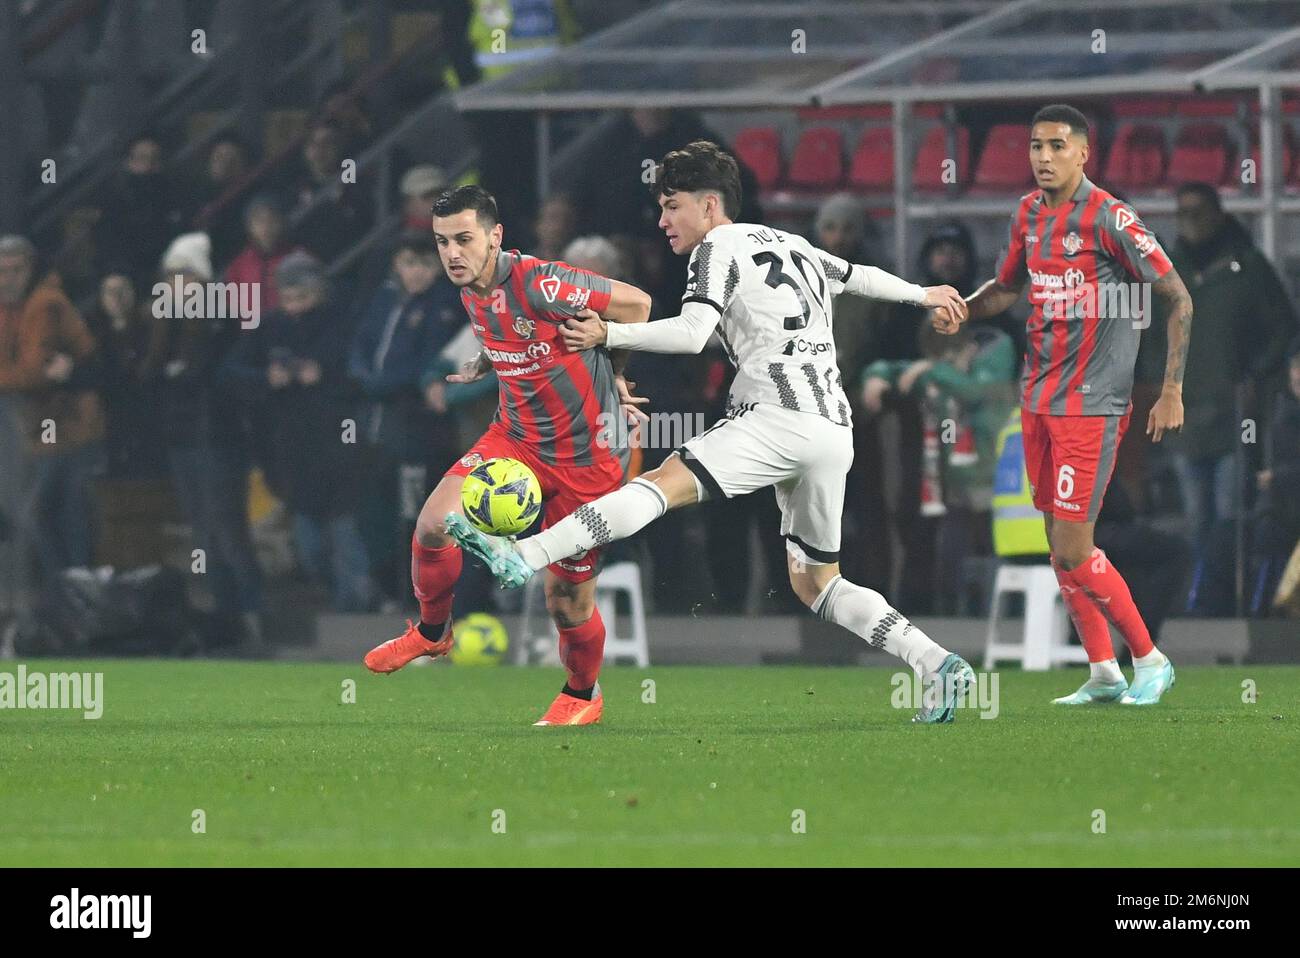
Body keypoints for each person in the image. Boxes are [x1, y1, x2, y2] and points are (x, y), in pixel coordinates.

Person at [448, 141, 978, 724]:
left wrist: (609, 336)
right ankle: (935, 662)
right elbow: (857, 276)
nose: (662, 219)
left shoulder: (717, 247)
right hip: (832, 428)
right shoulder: (790, 243)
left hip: (776, 418)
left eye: (671, 205)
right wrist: (923, 294)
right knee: (817, 582)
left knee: (657, 486)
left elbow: (692, 332)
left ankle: (525, 554)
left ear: (708, 204)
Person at [362, 186, 653, 728]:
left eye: (464, 239)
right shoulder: (470, 285)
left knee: (566, 600)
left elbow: (639, 303)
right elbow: (522, 334)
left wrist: (613, 362)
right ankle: (432, 633)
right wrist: (490, 358)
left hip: (587, 456)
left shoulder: (543, 281)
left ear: (495, 237)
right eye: (442, 241)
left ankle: (582, 694)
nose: (451, 253)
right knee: (432, 525)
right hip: (515, 438)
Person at [954, 104, 1192, 706]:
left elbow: (1178, 299)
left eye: (1057, 146)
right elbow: (1007, 288)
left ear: (1083, 153)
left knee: (1073, 547)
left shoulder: (1111, 217)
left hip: (1092, 405)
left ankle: (1151, 658)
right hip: (1037, 399)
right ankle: (1104, 672)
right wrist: (963, 306)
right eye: (1036, 146)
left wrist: (1170, 389)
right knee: (1057, 539)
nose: (1043, 157)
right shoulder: (1029, 215)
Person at [1162, 182, 1298, 615]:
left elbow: (1283, 330)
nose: (1191, 220)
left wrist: (1256, 374)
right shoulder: (1169, 272)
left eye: (1199, 211)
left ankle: (1232, 607)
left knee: (1229, 519)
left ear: (1219, 213)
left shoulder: (1249, 267)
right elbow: (1148, 335)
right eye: (1183, 212)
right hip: (1183, 421)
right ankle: (1202, 605)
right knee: (1196, 522)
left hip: (1234, 418)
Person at [220, 252, 374, 612]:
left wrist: (324, 376)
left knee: (343, 527)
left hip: (340, 440)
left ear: (319, 292)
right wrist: (267, 379)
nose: (294, 306)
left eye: (301, 296)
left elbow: (364, 375)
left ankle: (354, 604)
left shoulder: (342, 323)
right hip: (292, 445)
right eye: (287, 297)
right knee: (309, 542)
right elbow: (230, 373)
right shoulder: (271, 327)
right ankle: (332, 590)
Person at [349, 232, 466, 603]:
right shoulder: (385, 300)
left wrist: (381, 384)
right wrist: (367, 378)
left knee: (414, 515)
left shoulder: (445, 306)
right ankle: (390, 588)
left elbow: (429, 364)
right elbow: (360, 346)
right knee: (373, 513)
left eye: (422, 264)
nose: (414, 273)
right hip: (379, 429)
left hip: (418, 432)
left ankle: (417, 598)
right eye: (407, 264)